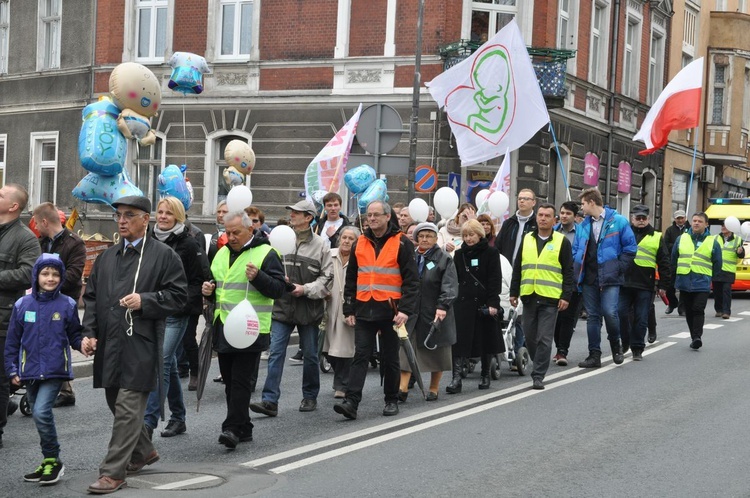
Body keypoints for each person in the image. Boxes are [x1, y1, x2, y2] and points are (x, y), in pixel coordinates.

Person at [82, 195, 187, 494]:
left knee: (128, 409)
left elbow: (180, 296)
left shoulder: (163, 255)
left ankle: (112, 472)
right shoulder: (107, 257)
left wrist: (147, 300)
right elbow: (91, 299)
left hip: (140, 345)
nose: (122, 220)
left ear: (146, 219)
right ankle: (143, 451)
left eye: (129, 215)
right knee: (116, 403)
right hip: (110, 345)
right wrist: (88, 332)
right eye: (118, 215)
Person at [202, 210, 286, 449]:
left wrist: (258, 277)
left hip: (251, 327)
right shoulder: (221, 253)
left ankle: (231, 428)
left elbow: (279, 289)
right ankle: (245, 426)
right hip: (224, 325)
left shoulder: (267, 253)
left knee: (240, 380)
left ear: (251, 230)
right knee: (230, 380)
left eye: (236, 232)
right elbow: (217, 284)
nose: (231, 237)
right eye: (227, 232)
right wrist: (208, 291)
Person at [4, 254, 86, 485]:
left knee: (41, 412)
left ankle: (54, 461)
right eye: (45, 273)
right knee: (40, 417)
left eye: (55, 274)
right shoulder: (23, 305)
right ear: (36, 276)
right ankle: (49, 460)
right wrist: (12, 370)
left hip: (54, 371)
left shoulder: (67, 304)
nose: (50, 278)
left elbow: (74, 336)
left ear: (61, 278)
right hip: (28, 372)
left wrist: (84, 345)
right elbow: (12, 341)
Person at [334, 200, 419, 419]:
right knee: (360, 355)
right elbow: (351, 277)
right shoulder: (360, 242)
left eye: (376, 215)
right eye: (369, 215)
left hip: (391, 310)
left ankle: (391, 400)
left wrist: (405, 310)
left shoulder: (401, 243)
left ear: (387, 216)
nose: (371, 218)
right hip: (364, 308)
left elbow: (412, 281)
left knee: (390, 358)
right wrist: (348, 309)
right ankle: (351, 402)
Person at [250, 199, 332, 417]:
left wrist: (304, 289)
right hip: (282, 307)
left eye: (297, 213)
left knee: (311, 355)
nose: (292, 216)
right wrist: (278, 278)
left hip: (309, 308)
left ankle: (309, 395)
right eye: (291, 212)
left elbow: (327, 279)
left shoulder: (321, 246)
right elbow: (265, 266)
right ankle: (269, 401)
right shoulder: (279, 238)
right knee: (276, 352)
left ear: (308, 218)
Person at [141, 197, 208, 439]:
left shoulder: (189, 244)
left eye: (168, 213)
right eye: (160, 212)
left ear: (178, 217)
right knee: (166, 365)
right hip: (152, 310)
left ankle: (147, 424)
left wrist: (177, 301)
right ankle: (179, 417)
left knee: (162, 361)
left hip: (177, 313)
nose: (163, 217)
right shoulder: (147, 241)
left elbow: (198, 281)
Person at [510, 204, 574, 389]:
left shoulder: (562, 242)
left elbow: (568, 272)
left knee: (544, 339)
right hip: (529, 295)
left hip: (550, 298)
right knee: (530, 337)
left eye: (547, 216)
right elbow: (518, 267)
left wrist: (566, 296)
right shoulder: (527, 239)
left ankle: (538, 375)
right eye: (540, 215)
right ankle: (537, 363)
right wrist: (514, 291)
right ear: (536, 218)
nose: (543, 218)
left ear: (554, 220)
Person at [573, 188, 637, 368]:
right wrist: (576, 268)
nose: (582, 208)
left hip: (610, 276)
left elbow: (630, 249)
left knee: (610, 312)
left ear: (592, 202)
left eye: (583, 204)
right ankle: (594, 355)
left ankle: (616, 345)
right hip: (588, 277)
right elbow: (576, 249)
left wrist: (618, 268)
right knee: (593, 316)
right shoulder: (583, 225)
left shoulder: (618, 221)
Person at [32, 202, 86, 408]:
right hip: (39, 301)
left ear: (45, 221)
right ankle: (48, 383)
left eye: (37, 222)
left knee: (58, 342)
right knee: (41, 340)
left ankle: (65, 390)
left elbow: (74, 274)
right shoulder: (40, 242)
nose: (35, 226)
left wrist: (49, 284)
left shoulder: (74, 243)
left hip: (63, 302)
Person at [0, 184, 41, 449]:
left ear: (14, 206)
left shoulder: (26, 238)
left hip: (4, 319)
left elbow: (29, 274)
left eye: (2, 195)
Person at [399, 222, 457, 401]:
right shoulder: (411, 256)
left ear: (436, 238)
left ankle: (433, 387)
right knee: (406, 349)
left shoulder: (444, 258)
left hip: (435, 311)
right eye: (421, 236)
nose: (424, 239)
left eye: (429, 236)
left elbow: (449, 284)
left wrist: (442, 306)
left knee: (436, 351)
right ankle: (402, 389)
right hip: (412, 311)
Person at [447, 219, 504, 393]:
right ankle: (456, 378)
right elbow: (454, 279)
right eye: (465, 235)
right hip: (463, 303)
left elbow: (495, 280)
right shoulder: (459, 255)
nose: (468, 238)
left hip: (484, 302)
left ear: (479, 234)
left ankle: (485, 374)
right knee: (459, 342)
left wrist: (493, 303)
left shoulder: (491, 253)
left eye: (471, 235)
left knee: (485, 339)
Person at [618, 205, 671, 360]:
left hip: (645, 284)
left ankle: (637, 349)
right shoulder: (624, 233)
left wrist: (663, 285)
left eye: (643, 218)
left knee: (641, 318)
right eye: (637, 218)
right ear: (632, 219)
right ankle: (625, 341)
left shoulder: (656, 236)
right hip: (624, 282)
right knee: (621, 314)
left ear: (648, 219)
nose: (640, 221)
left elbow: (665, 262)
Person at [495, 189, 538, 354]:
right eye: (520, 198)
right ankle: (505, 347)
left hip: (527, 273)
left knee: (522, 314)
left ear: (533, 202)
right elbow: (498, 247)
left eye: (526, 199)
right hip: (507, 273)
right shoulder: (509, 223)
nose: (522, 202)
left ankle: (521, 348)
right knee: (509, 311)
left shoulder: (536, 223)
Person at [672, 212, 723, 350]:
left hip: (702, 282)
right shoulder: (681, 238)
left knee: (698, 308)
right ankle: (693, 336)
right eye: (694, 220)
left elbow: (718, 262)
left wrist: (711, 278)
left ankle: (697, 337)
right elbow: (674, 258)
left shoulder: (713, 242)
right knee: (688, 310)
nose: (696, 223)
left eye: (700, 221)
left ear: (706, 224)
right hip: (684, 281)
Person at [322, 226, 360, 398]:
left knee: (344, 349)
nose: (346, 241)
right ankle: (343, 379)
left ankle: (342, 385)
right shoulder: (329, 254)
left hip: (349, 309)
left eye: (350, 239)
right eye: (344, 237)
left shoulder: (359, 258)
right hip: (328, 307)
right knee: (326, 349)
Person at [552, 201, 581, 366]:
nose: (564, 216)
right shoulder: (554, 231)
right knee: (556, 318)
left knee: (568, 318)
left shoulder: (582, 233)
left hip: (575, 281)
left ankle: (562, 351)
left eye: (568, 213)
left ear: (575, 217)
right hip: (554, 280)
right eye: (562, 213)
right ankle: (559, 348)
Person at [712, 224, 744, 319]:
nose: (723, 227)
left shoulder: (738, 239)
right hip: (717, 269)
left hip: (729, 270)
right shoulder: (715, 238)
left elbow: (741, 255)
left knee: (726, 291)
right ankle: (719, 310)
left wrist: (740, 252)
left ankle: (726, 312)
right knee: (717, 291)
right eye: (722, 225)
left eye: (725, 226)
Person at [663, 209, 688, 315]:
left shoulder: (690, 230)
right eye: (678, 218)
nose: (680, 220)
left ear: (685, 219)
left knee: (683, 287)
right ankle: (672, 303)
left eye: (682, 218)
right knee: (669, 286)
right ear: (675, 219)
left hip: (685, 262)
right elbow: (665, 244)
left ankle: (682, 309)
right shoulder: (669, 230)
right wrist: (676, 246)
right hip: (672, 262)